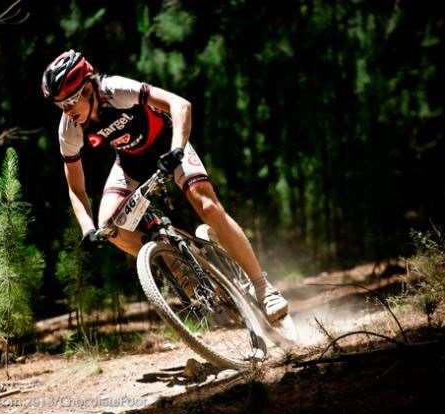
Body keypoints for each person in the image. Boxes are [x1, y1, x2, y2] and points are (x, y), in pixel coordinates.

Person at [41, 49, 288, 321]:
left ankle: (264, 288)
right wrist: (87, 228)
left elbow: (180, 105)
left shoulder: (115, 89)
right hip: (131, 162)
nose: (66, 112)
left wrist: (177, 150)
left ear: (87, 89)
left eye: (69, 103)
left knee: (207, 206)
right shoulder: (69, 128)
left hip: (168, 144)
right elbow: (75, 186)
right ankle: (180, 266)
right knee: (109, 227)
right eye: (59, 106)